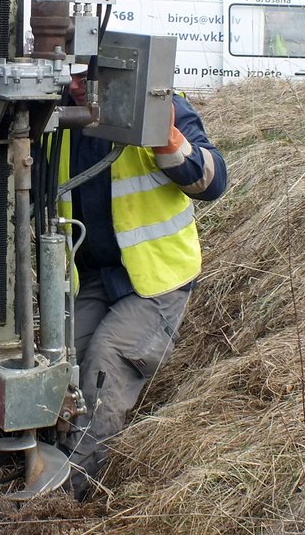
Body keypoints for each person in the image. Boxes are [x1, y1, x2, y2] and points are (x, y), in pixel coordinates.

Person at [59, 72, 227, 499]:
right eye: (72, 71)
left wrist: (168, 142)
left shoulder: (159, 102)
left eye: (90, 71)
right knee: (61, 365)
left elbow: (213, 180)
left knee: (104, 364)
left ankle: (72, 498)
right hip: (95, 275)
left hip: (157, 278)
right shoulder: (52, 111)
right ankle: (44, 464)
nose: (80, 83)